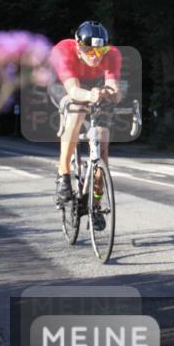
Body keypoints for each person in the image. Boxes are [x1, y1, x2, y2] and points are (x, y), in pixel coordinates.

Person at [50, 21, 122, 229]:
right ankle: (63, 173)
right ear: (77, 46)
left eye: (101, 50)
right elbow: (73, 91)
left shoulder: (113, 54)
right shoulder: (63, 51)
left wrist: (113, 94)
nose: (95, 55)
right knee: (78, 108)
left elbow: (113, 86)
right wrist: (90, 95)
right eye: (88, 50)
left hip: (93, 89)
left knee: (101, 142)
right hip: (64, 86)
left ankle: (96, 204)